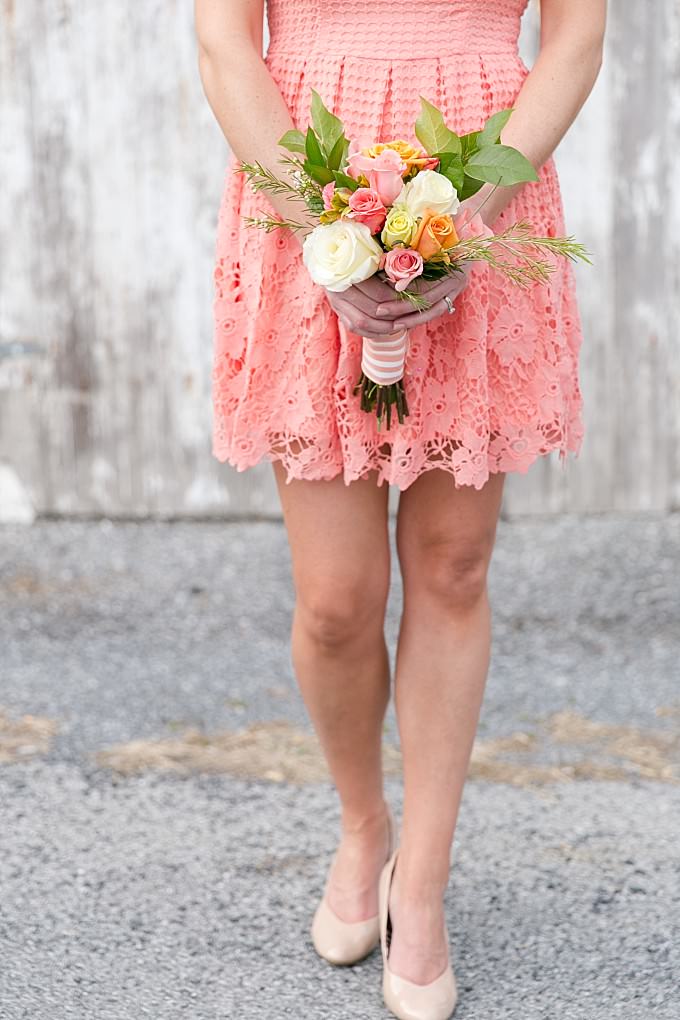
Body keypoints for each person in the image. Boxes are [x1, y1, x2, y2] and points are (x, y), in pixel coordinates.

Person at [195, 1, 606, 1016]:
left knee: (453, 566)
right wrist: (319, 226)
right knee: (335, 600)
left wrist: (470, 214)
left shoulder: (480, 207)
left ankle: (418, 888)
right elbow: (222, 42)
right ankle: (360, 824)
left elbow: (573, 40)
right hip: (306, 192)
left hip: (480, 186)